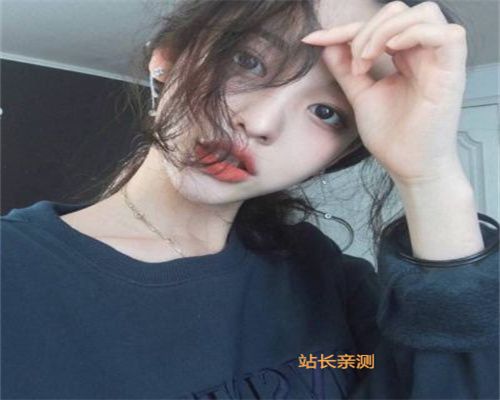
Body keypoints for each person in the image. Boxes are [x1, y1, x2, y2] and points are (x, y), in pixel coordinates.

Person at [1, 0, 498, 398]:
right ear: (169, 57)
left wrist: (430, 175)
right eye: (249, 61)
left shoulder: (322, 277)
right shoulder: (15, 272)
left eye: (327, 112)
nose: (260, 123)